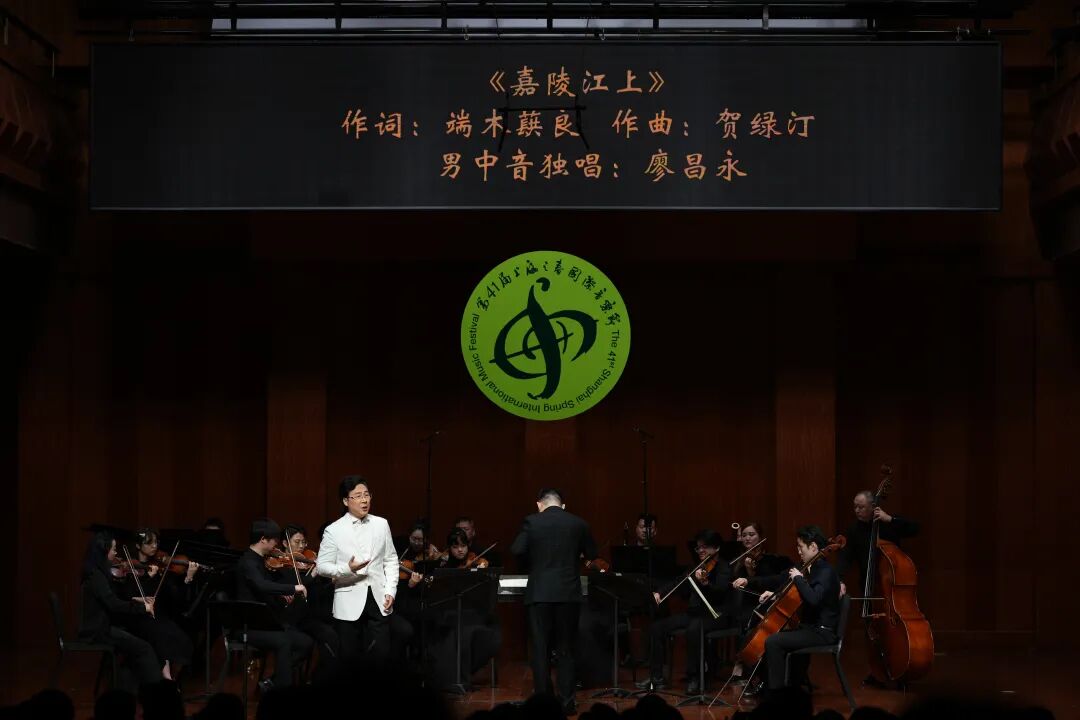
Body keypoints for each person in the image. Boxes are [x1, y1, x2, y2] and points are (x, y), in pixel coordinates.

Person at [510, 488, 597, 716]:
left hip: (539, 593)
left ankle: (543, 703)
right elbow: (592, 553)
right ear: (563, 505)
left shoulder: (532, 521)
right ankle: (567, 703)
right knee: (566, 648)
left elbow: (517, 549)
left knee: (540, 649)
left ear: (539, 504)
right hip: (568, 594)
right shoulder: (578, 523)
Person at [746, 525, 841, 698]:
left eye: (800, 546)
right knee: (770, 634)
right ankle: (777, 685)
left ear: (813, 547)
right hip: (809, 627)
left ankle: (777, 695)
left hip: (822, 632)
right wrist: (775, 595)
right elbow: (796, 593)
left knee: (773, 641)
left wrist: (798, 578)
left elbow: (813, 599)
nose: (798, 551)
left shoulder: (825, 571)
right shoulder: (810, 568)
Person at [636, 529, 731, 694]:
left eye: (705, 547)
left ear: (716, 548)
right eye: (698, 547)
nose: (700, 550)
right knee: (656, 628)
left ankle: (694, 678)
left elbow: (721, 594)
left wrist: (706, 584)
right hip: (694, 614)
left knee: (694, 629)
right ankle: (656, 677)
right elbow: (677, 583)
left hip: (716, 615)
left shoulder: (724, 567)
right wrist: (660, 593)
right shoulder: (696, 567)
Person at [316, 475, 399, 663]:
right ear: (346, 501)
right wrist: (348, 568)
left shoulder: (381, 524)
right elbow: (322, 567)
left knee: (380, 656)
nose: (364, 500)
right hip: (348, 601)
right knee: (350, 660)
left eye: (367, 495)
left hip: (378, 598)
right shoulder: (334, 530)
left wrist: (390, 590)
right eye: (358, 496)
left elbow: (391, 559)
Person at [235, 518, 313, 690]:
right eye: (274, 540)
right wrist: (292, 588)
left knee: (305, 642)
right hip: (249, 624)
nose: (276, 545)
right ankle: (282, 690)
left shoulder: (261, 560)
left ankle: (272, 683)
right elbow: (261, 585)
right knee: (284, 641)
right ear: (263, 539)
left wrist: (281, 596)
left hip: (265, 622)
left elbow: (266, 588)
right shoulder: (248, 562)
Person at [79, 531, 162, 688]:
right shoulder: (96, 576)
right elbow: (114, 605)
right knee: (145, 649)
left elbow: (112, 600)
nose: (116, 553)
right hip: (98, 631)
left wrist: (135, 600)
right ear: (104, 552)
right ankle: (157, 691)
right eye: (113, 549)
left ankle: (130, 689)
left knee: (135, 649)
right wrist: (142, 607)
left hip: (100, 626)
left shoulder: (96, 572)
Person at [113, 529, 196, 682]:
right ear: (138, 545)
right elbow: (128, 596)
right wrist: (148, 579)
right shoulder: (130, 567)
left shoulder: (160, 568)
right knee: (161, 636)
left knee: (183, 639)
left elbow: (174, 598)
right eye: (149, 543)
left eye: (156, 542)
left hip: (158, 617)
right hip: (137, 617)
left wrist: (188, 578)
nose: (154, 546)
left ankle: (170, 678)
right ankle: (166, 680)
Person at [426, 528, 502, 689]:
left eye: (463, 546)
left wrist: (481, 573)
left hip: (473, 614)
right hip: (450, 615)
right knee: (456, 634)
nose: (460, 550)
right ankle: (455, 678)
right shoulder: (443, 567)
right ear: (449, 548)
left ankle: (464, 674)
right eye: (455, 547)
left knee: (489, 635)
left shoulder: (477, 563)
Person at [728, 522, 794, 684]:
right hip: (747, 604)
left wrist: (751, 576)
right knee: (743, 619)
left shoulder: (771, 560)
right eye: (744, 535)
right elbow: (734, 583)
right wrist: (747, 571)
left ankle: (750, 667)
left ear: (760, 537)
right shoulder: (739, 561)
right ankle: (746, 664)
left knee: (750, 621)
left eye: (752, 535)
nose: (747, 538)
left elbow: (772, 582)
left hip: (767, 602)